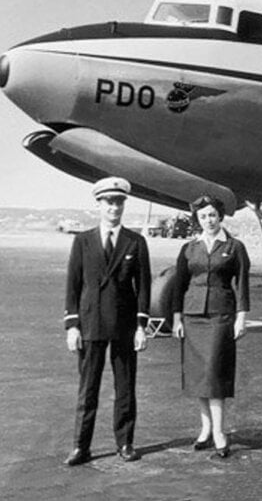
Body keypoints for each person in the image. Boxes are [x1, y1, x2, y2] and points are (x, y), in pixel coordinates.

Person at [63, 176, 151, 466]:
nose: (114, 207)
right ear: (99, 204)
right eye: (109, 202)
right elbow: (73, 285)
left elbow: (144, 287)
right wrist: (72, 325)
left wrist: (141, 326)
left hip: (124, 325)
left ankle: (125, 443)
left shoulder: (135, 242)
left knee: (125, 388)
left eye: (119, 202)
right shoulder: (83, 241)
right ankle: (80, 446)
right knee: (87, 390)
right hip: (90, 324)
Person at [171, 195, 250, 459]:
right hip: (193, 316)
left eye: (213, 215)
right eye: (203, 216)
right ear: (198, 219)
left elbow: (242, 283)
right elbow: (179, 284)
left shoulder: (234, 247)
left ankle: (219, 431)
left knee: (214, 373)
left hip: (220, 316)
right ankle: (205, 428)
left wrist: (241, 316)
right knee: (198, 376)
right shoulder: (188, 248)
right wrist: (177, 317)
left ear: (221, 217)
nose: (209, 220)